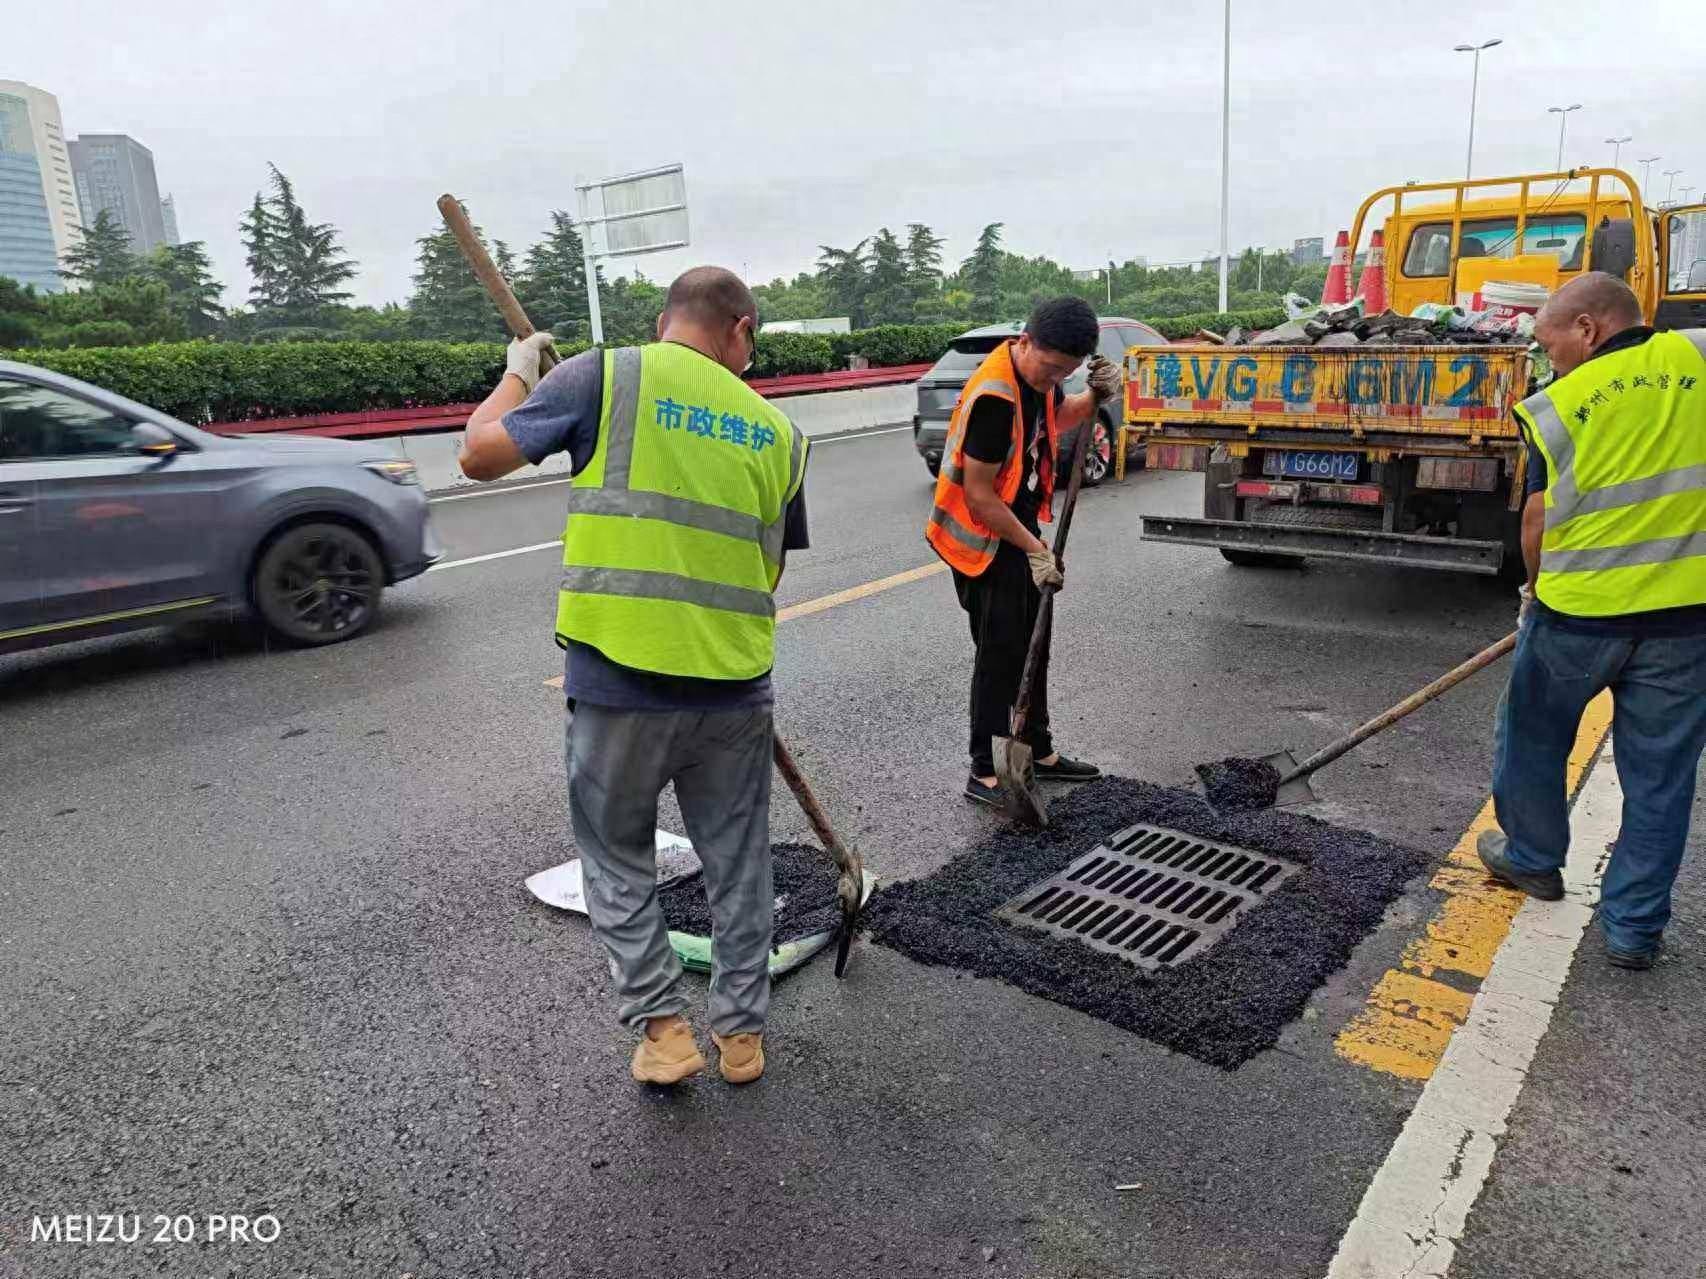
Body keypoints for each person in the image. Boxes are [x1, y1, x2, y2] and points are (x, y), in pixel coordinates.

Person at [459, 266, 809, 1083]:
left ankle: (664, 1031)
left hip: (620, 684)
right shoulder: (780, 433)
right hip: (734, 686)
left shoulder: (606, 374)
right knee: (738, 860)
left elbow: (478, 455)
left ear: (664, 321)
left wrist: (519, 367)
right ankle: (743, 1036)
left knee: (616, 858)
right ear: (741, 330)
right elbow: (770, 571)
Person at [1478, 272, 1706, 970]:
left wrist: (1532, 591)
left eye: (1552, 346)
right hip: (1684, 618)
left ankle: (1533, 859)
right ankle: (1634, 930)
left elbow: (1540, 516)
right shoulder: (1697, 357)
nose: (1551, 361)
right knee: (1661, 777)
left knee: (1534, 740)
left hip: (1577, 616)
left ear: (1588, 328)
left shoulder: (1557, 405)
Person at [924, 296, 1123, 807]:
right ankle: (984, 770)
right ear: (1025, 341)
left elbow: (1060, 417)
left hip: (1018, 527)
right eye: (1051, 368)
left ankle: (1038, 747)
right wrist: (1037, 550)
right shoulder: (996, 397)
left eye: (1067, 371)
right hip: (984, 540)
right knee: (1000, 654)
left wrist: (1093, 393)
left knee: (1036, 639)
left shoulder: (1039, 380)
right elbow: (980, 496)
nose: (1052, 379)